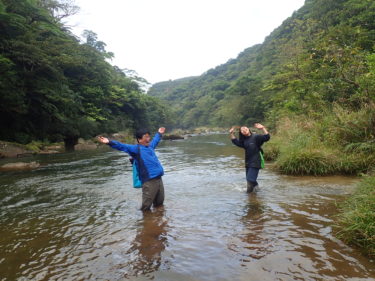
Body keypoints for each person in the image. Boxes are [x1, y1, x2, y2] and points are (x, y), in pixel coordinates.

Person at [97, 127, 166, 211]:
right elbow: (122, 146)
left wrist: (159, 133)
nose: (149, 138)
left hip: (159, 179)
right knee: (146, 206)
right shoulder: (136, 149)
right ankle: (145, 221)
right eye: (146, 137)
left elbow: (155, 140)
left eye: (149, 136)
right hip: (149, 180)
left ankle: (158, 219)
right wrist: (109, 142)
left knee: (159, 203)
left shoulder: (150, 147)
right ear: (139, 139)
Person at [230, 124, 270, 193]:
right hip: (248, 163)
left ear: (248, 129)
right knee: (249, 180)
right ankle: (256, 190)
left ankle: (249, 195)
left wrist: (263, 128)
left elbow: (267, 137)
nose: (244, 130)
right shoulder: (244, 141)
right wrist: (231, 133)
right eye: (242, 130)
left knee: (250, 179)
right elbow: (235, 141)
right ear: (241, 133)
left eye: (245, 128)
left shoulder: (256, 137)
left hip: (256, 162)